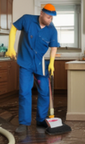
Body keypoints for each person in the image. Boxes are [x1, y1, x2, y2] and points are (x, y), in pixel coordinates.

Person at [5, 4, 60, 133]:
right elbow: (13, 28)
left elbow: (54, 48)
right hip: (25, 62)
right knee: (24, 92)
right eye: (48, 17)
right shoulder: (27, 20)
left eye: (52, 18)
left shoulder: (52, 30)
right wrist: (10, 47)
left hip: (40, 64)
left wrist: (52, 62)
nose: (50, 20)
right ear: (41, 13)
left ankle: (41, 120)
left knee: (45, 92)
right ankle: (24, 124)